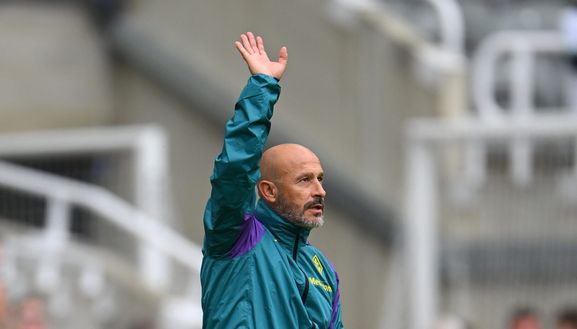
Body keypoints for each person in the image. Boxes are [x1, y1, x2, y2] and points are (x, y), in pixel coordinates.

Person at [200, 32, 344, 328]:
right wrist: (263, 86)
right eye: (305, 180)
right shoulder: (237, 235)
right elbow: (235, 167)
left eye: (320, 179)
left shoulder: (323, 270)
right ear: (268, 191)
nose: (320, 191)